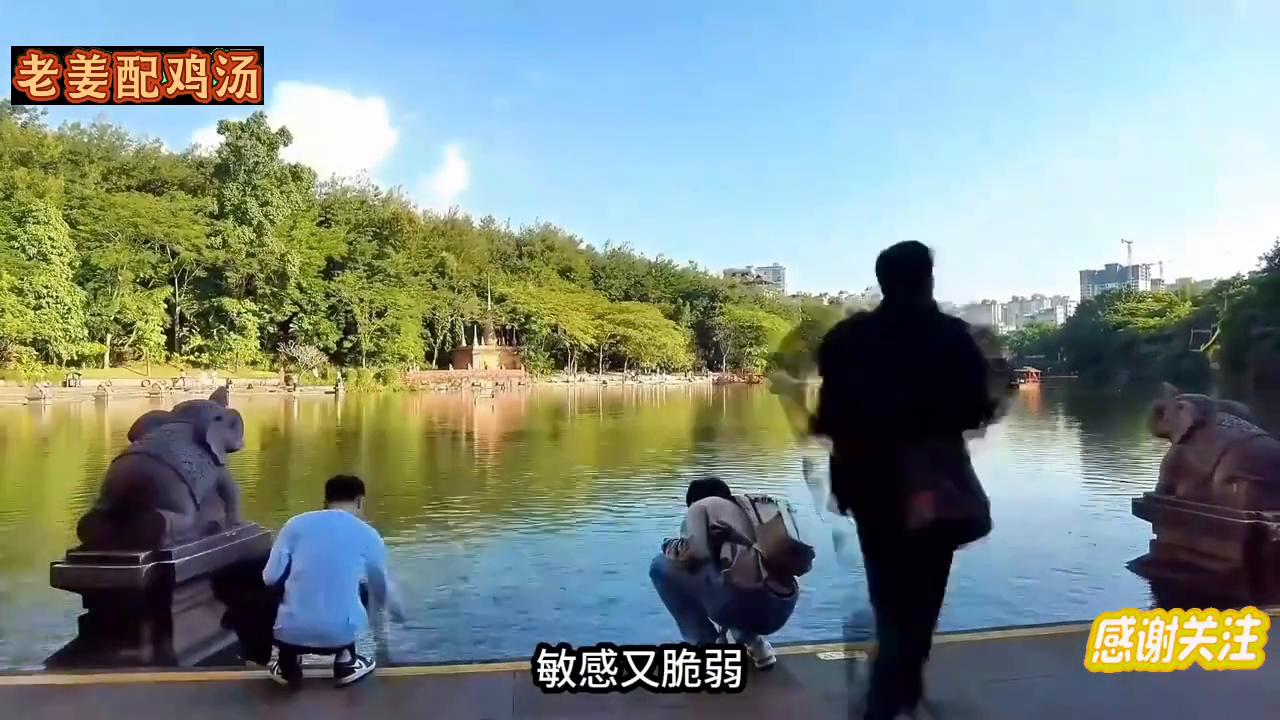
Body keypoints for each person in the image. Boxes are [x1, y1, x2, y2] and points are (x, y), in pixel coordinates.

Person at [812, 241, 996, 720]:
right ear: (928, 279)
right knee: (924, 595)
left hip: (868, 485)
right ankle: (892, 694)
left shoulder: (847, 339)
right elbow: (977, 409)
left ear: (882, 282)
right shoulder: (952, 337)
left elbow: (827, 418)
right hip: (934, 485)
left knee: (888, 591)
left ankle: (895, 690)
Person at [263, 474, 404, 688]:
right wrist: (398, 614)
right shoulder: (368, 534)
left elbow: (269, 577)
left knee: (284, 582)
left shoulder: (295, 525)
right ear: (360, 501)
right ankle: (345, 661)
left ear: (325, 501)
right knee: (363, 588)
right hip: (341, 634)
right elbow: (381, 587)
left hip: (290, 632)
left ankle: (287, 663)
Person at [648, 477, 800, 669]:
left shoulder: (703, 511)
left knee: (661, 566)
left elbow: (689, 555)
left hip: (737, 605)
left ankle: (705, 645)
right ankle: (755, 643)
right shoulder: (758, 508)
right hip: (781, 608)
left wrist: (667, 543)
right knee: (741, 571)